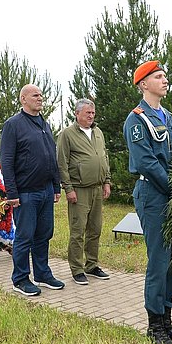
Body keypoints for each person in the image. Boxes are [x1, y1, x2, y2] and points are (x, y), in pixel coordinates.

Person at [124, 60, 172, 344]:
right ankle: (154, 326)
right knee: (160, 259)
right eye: (159, 76)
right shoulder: (137, 120)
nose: (165, 80)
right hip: (153, 193)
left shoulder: (169, 117)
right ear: (143, 84)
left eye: (165, 76)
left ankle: (167, 320)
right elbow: (147, 162)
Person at [0, 84, 64, 296]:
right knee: (25, 236)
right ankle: (20, 279)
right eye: (35, 95)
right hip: (25, 192)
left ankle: (42, 274)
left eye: (41, 95)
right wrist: (12, 193)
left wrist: (56, 186)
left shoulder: (44, 124)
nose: (40, 98)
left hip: (46, 190)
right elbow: (6, 161)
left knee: (43, 234)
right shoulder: (13, 125)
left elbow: (51, 156)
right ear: (23, 99)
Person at [57, 98, 112, 286]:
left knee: (95, 228)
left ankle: (92, 265)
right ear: (77, 113)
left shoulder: (98, 132)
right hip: (79, 190)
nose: (91, 115)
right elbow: (62, 163)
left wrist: (107, 181)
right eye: (87, 112)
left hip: (97, 188)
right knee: (78, 230)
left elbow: (104, 157)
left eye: (93, 112)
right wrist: (68, 188)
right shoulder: (67, 134)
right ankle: (77, 269)